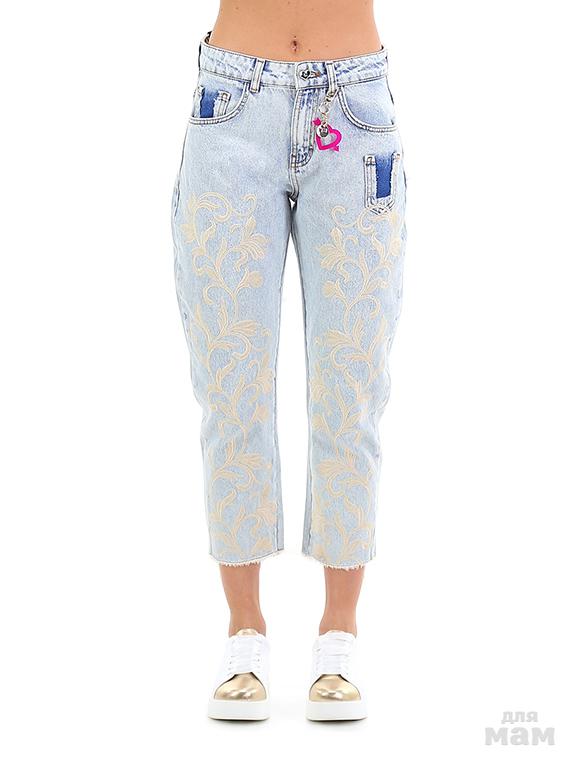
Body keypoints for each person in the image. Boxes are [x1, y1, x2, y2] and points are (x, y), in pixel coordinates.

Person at [171, 0, 406, 721]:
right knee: (231, 382)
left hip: (354, 110)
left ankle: (339, 633)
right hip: (232, 109)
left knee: (350, 385)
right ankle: (244, 631)